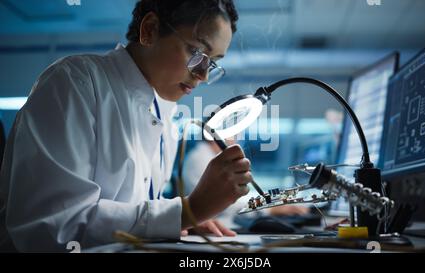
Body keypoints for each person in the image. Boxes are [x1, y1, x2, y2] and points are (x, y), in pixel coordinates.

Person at [0, 0, 251, 252]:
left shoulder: (165, 113)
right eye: (198, 53)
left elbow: (133, 204)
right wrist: (186, 211)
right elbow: (52, 229)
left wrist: (176, 223)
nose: (204, 75)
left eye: (214, 62)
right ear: (150, 29)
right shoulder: (75, 83)